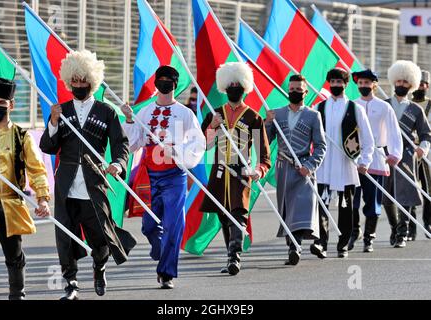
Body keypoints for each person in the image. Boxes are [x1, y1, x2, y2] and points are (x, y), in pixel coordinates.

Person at [40, 50, 135, 300]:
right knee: (65, 237)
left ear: (92, 81)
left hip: (94, 182)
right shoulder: (62, 111)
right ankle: (71, 285)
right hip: (66, 185)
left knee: (101, 235)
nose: (79, 85)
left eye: (83, 81)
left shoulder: (107, 112)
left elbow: (121, 145)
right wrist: (52, 122)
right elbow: (47, 147)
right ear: (69, 81)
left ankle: (99, 267)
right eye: (75, 81)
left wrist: (118, 164)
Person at [121, 65, 205, 289]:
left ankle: (166, 272)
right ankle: (159, 249)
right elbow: (132, 144)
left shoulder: (185, 114)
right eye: (162, 79)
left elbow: (198, 142)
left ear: (175, 85)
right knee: (149, 226)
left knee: (173, 224)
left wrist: (178, 152)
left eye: (169, 80)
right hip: (148, 176)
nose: (165, 83)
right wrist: (129, 120)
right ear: (156, 82)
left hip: (174, 176)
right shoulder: (145, 112)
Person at [0, 78, 51, 300]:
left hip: (11, 204)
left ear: (11, 105)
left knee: (14, 255)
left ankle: (17, 295)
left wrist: (42, 198)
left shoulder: (22, 136)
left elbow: (36, 170)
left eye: (2, 102)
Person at [200, 62, 271, 275]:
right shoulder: (216, 114)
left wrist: (259, 170)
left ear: (244, 87)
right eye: (229, 84)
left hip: (242, 171)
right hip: (220, 171)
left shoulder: (254, 117)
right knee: (224, 216)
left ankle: (235, 257)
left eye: (237, 84)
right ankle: (230, 255)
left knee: (238, 213)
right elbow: (205, 145)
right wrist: (212, 126)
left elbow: (264, 153)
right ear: (224, 87)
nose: (233, 88)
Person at [311, 67, 375, 259]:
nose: (336, 85)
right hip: (323, 164)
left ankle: (343, 244)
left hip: (346, 164)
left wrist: (365, 161)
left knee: (346, 207)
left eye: (340, 82)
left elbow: (368, 139)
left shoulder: (355, 109)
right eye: (333, 82)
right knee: (321, 205)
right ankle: (321, 242)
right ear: (328, 83)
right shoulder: (319, 108)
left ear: (346, 84)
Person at [265, 74, 326, 265]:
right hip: (283, 168)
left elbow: (321, 145)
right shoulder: (277, 114)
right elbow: (265, 142)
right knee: (288, 207)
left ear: (305, 92)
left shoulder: (313, 115)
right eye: (291, 89)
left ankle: (296, 245)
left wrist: (309, 166)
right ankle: (292, 245)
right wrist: (267, 123)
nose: (294, 92)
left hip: (303, 167)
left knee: (302, 207)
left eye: (298, 89)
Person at [348, 69, 403, 252]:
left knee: (373, 202)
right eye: (360, 83)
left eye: (366, 83)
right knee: (352, 201)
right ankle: (353, 232)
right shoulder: (351, 105)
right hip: (354, 158)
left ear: (374, 85)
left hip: (377, 159)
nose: (363, 86)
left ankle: (369, 238)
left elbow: (394, 131)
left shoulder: (384, 107)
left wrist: (394, 153)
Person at [383, 60, 431, 248]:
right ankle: (394, 227)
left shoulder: (416, 109)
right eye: (399, 81)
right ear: (394, 82)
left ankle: (403, 231)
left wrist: (423, 148)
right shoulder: (384, 105)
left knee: (405, 192)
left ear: (411, 84)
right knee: (387, 195)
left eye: (405, 82)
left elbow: (426, 134)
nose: (401, 85)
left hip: (407, 153)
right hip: (385, 153)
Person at [410, 70, 431, 239]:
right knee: (409, 187)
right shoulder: (407, 105)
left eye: (424, 84)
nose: (421, 87)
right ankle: (411, 226)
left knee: (428, 189)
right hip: (410, 150)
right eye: (419, 83)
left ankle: (428, 222)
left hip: (426, 151)